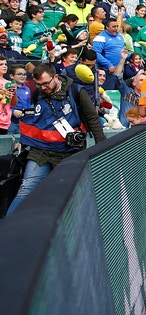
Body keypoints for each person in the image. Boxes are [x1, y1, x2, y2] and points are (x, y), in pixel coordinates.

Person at [7, 61, 106, 215]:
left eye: (46, 83)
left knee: (69, 195)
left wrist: (102, 146)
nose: (43, 88)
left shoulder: (76, 91)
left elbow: (92, 119)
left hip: (70, 151)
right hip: (40, 151)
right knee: (26, 190)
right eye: (38, 84)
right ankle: (8, 231)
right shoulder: (37, 93)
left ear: (56, 77)